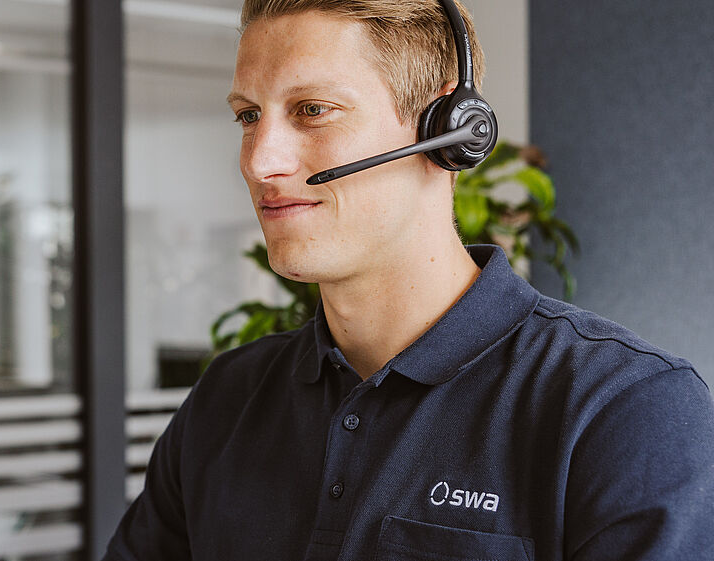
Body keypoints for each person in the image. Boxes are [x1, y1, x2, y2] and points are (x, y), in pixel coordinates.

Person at [101, 1, 714, 560]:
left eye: (313, 110)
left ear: (447, 128)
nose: (260, 162)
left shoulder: (624, 411)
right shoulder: (226, 400)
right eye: (248, 116)